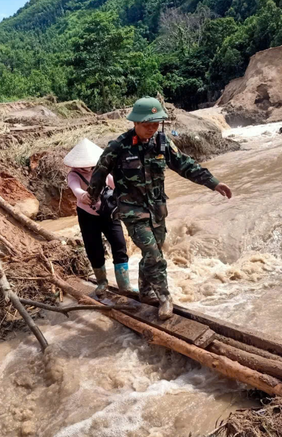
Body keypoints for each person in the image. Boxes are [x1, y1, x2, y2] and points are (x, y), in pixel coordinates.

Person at [87, 97, 232, 320]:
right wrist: (92, 196)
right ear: (135, 122)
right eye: (147, 124)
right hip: (132, 211)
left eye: (156, 124)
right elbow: (99, 172)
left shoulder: (162, 143)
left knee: (152, 253)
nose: (152, 128)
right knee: (153, 254)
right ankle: (165, 297)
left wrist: (213, 182)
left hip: (157, 209)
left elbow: (185, 165)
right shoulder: (118, 147)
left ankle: (145, 291)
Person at [64, 138, 136, 296]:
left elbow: (115, 183)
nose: (87, 167)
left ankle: (125, 285)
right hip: (87, 216)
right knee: (94, 249)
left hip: (109, 212)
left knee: (119, 245)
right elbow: (75, 187)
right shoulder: (73, 175)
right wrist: (82, 195)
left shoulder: (102, 169)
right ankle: (102, 283)